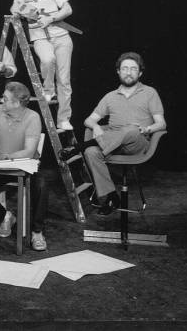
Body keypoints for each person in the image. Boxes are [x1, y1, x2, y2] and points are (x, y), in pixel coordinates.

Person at [59, 52, 166, 215]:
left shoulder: (150, 93)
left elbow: (161, 123)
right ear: (118, 71)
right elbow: (89, 120)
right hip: (111, 145)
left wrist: (147, 129)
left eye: (133, 69)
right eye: (124, 68)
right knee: (91, 152)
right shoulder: (110, 97)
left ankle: (79, 146)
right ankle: (111, 197)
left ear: (140, 73)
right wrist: (95, 127)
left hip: (137, 142)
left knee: (132, 129)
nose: (128, 72)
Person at [0, 82, 49, 251]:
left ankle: (37, 232)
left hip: (24, 165)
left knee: (41, 185)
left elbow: (28, 151)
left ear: (17, 103)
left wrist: (5, 156)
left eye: (5, 99)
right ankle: (4, 216)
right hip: (2, 166)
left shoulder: (32, 117)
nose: (1, 101)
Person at [10, 0, 74, 131]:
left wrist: (51, 18)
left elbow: (68, 9)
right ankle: (48, 89)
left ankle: (63, 119)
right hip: (40, 38)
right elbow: (15, 12)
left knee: (64, 80)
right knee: (47, 59)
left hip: (61, 38)